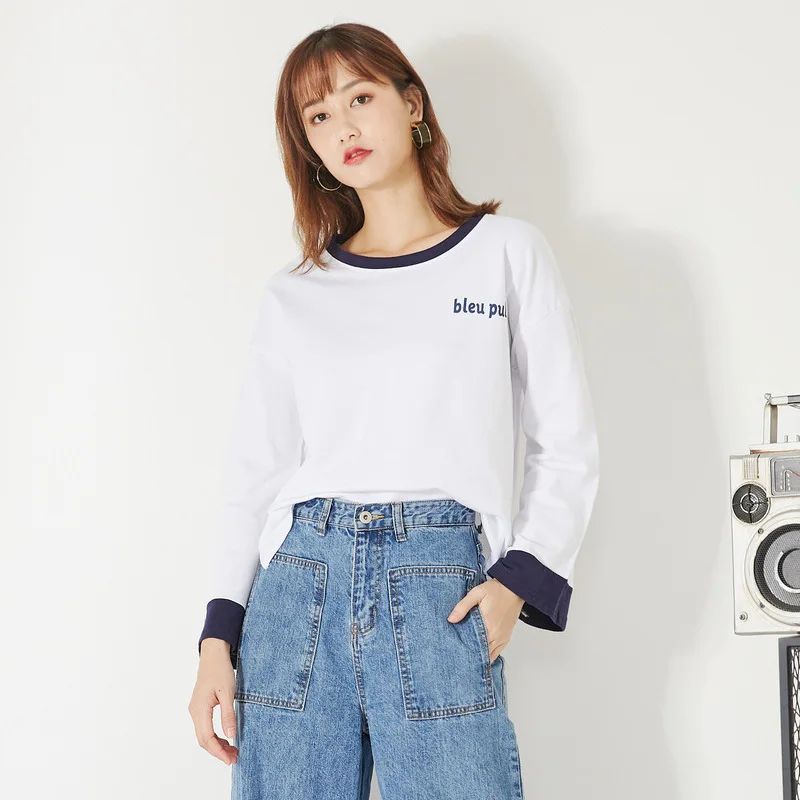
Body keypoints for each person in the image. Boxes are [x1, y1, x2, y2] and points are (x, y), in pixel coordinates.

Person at [188, 21, 600, 799]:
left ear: (412, 104)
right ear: (309, 147)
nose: (343, 127)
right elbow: (254, 472)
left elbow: (566, 440)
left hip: (440, 582)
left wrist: (516, 581)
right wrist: (218, 637)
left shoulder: (506, 253)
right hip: (300, 587)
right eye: (318, 116)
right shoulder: (296, 292)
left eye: (360, 98)